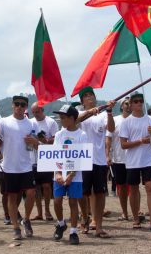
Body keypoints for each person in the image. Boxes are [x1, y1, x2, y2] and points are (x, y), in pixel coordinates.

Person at [0, 95, 38, 241]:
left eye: (22, 105)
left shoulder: (30, 124)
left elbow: (35, 145)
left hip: (26, 165)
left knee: (31, 193)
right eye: (17, 104)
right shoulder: (3, 121)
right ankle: (16, 227)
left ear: (26, 107)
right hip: (9, 166)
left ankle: (27, 219)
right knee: (12, 197)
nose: (19, 107)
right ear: (12, 105)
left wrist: (34, 141)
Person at [77, 87, 116, 238]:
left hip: (99, 159)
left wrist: (110, 111)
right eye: (85, 96)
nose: (89, 98)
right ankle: (84, 218)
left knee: (99, 193)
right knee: (83, 193)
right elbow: (75, 121)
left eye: (91, 95)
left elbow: (111, 129)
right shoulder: (80, 113)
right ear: (82, 101)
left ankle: (98, 226)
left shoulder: (103, 115)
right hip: (83, 158)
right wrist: (89, 112)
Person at [119, 92, 151, 231]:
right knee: (134, 189)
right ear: (130, 105)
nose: (139, 103)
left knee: (150, 187)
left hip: (148, 160)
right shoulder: (126, 122)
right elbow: (123, 144)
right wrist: (139, 141)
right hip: (133, 161)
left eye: (141, 101)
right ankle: (136, 219)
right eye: (136, 101)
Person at [51, 104, 88, 245]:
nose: (61, 120)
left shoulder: (82, 135)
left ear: (72, 118)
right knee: (57, 201)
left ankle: (73, 232)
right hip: (59, 174)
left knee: (73, 202)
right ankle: (61, 224)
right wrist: (58, 173)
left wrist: (71, 174)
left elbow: (82, 157)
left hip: (76, 176)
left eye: (63, 117)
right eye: (60, 117)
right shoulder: (60, 134)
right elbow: (55, 155)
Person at [30, 102, 58, 222]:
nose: (36, 114)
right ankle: (39, 213)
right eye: (34, 112)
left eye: (37, 111)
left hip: (46, 157)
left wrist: (45, 140)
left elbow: (56, 138)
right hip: (32, 157)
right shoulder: (30, 122)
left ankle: (47, 210)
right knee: (36, 187)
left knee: (46, 186)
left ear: (42, 110)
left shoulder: (51, 122)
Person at [106, 98, 130, 221]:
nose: (129, 105)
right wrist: (107, 155)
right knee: (122, 187)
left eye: (130, 103)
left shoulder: (136, 120)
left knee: (134, 187)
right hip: (119, 159)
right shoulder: (115, 120)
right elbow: (108, 139)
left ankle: (136, 211)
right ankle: (124, 212)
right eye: (126, 103)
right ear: (121, 106)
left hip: (134, 160)